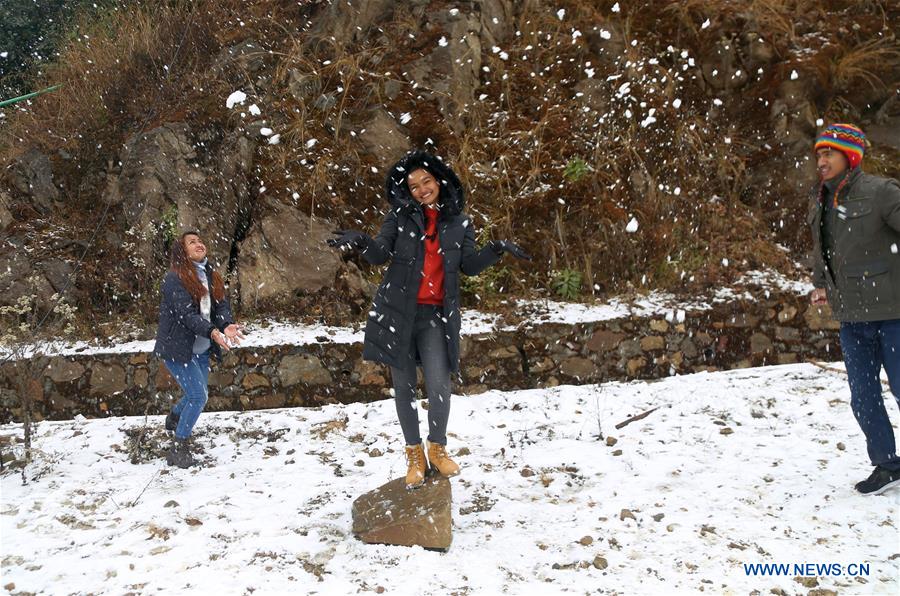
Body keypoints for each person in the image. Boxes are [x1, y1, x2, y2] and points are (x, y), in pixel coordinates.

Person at [328, 150, 531, 489]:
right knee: (404, 389)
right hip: (398, 314)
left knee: (439, 385)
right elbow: (380, 254)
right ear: (407, 191)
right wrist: (363, 241)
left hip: (435, 317)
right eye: (414, 186)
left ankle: (437, 448)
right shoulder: (400, 218)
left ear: (439, 180)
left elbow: (468, 266)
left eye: (427, 181)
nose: (422, 189)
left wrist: (496, 249)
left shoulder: (459, 223)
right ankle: (414, 454)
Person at [807, 123, 900, 495]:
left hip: (893, 313)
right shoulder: (821, 200)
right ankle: (887, 464)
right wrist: (820, 283)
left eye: (828, 153)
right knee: (863, 398)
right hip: (851, 317)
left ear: (850, 156)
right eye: (818, 154)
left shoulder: (881, 192)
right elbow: (822, 248)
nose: (821, 161)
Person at [153, 231, 244, 468]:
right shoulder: (174, 278)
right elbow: (186, 315)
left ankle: (175, 418)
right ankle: (179, 446)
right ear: (182, 251)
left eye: (200, 240)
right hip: (177, 348)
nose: (198, 244)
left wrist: (226, 324)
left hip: (201, 349)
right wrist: (213, 331)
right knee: (198, 396)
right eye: (191, 242)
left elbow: (221, 306)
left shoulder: (211, 274)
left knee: (196, 392)